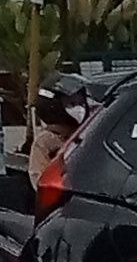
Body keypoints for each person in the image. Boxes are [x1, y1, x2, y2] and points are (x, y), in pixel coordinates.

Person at [24, 75, 89, 214]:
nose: (79, 109)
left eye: (80, 103)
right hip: (61, 206)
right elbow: (39, 178)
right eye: (71, 104)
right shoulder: (45, 141)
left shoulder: (87, 132)